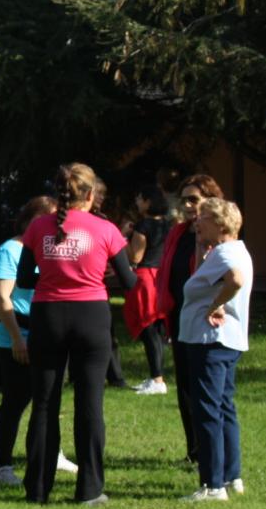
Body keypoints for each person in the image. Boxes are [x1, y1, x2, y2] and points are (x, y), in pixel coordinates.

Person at [17, 163, 137, 505]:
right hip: (91, 317)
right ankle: (89, 490)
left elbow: (24, 278)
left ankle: (37, 490)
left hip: (47, 316)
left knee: (44, 404)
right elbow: (129, 282)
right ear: (90, 194)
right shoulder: (106, 229)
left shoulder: (38, 226)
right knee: (90, 404)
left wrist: (54, 275)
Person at [0, 196, 79, 486]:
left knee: (49, 400)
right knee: (15, 402)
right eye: (49, 218)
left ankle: (53, 454)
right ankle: (4, 467)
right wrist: (17, 338)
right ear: (32, 219)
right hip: (17, 337)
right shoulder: (9, 251)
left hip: (50, 335)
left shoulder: (49, 248)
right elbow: (1, 298)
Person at [177, 198, 253, 502]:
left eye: (205, 217)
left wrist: (215, 304)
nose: (197, 220)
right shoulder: (231, 250)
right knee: (223, 407)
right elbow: (204, 277)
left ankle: (212, 485)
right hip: (226, 341)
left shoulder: (224, 254)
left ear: (222, 224)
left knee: (207, 411)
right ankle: (231, 476)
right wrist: (200, 246)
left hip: (210, 341)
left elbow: (235, 280)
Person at [156, 173, 225, 464]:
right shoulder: (178, 233)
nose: (187, 205)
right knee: (184, 384)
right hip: (179, 315)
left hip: (207, 318)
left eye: (194, 199)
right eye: (184, 200)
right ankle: (194, 451)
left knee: (203, 386)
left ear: (211, 201)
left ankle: (211, 453)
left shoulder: (217, 236)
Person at [125, 185, 172, 395]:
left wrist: (122, 238)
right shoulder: (168, 224)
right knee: (158, 328)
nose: (136, 202)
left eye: (139, 198)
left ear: (147, 202)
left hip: (145, 278)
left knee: (148, 328)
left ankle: (157, 380)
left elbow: (135, 256)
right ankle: (156, 376)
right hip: (161, 276)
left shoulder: (143, 225)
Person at [92, 178, 130, 389]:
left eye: (103, 194)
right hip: (90, 284)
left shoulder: (103, 220)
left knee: (107, 333)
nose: (101, 197)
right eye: (98, 193)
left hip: (99, 284)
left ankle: (115, 376)